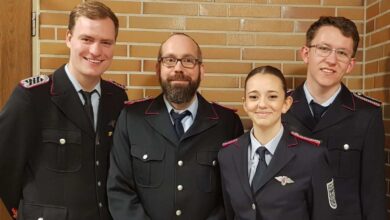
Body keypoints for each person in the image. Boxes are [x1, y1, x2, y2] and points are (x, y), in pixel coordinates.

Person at [0, 1, 128, 219]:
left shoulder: (117, 98)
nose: (96, 51)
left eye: (106, 42)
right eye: (86, 39)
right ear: (69, 38)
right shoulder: (32, 96)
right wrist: (27, 210)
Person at [107, 33, 244, 220]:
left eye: (188, 60)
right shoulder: (132, 119)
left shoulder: (227, 123)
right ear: (158, 69)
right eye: (170, 60)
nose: (178, 68)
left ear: (201, 70)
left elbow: (231, 193)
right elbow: (119, 189)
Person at [283, 16, 386, 220]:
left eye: (342, 53)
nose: (331, 60)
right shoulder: (279, 107)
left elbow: (373, 195)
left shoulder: (367, 115)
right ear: (306, 54)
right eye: (323, 48)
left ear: (350, 64)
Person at [219, 66, 336, 220]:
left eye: (272, 97)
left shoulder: (312, 156)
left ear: (286, 103)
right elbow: (230, 213)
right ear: (245, 104)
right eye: (254, 97)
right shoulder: (228, 155)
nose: (262, 104)